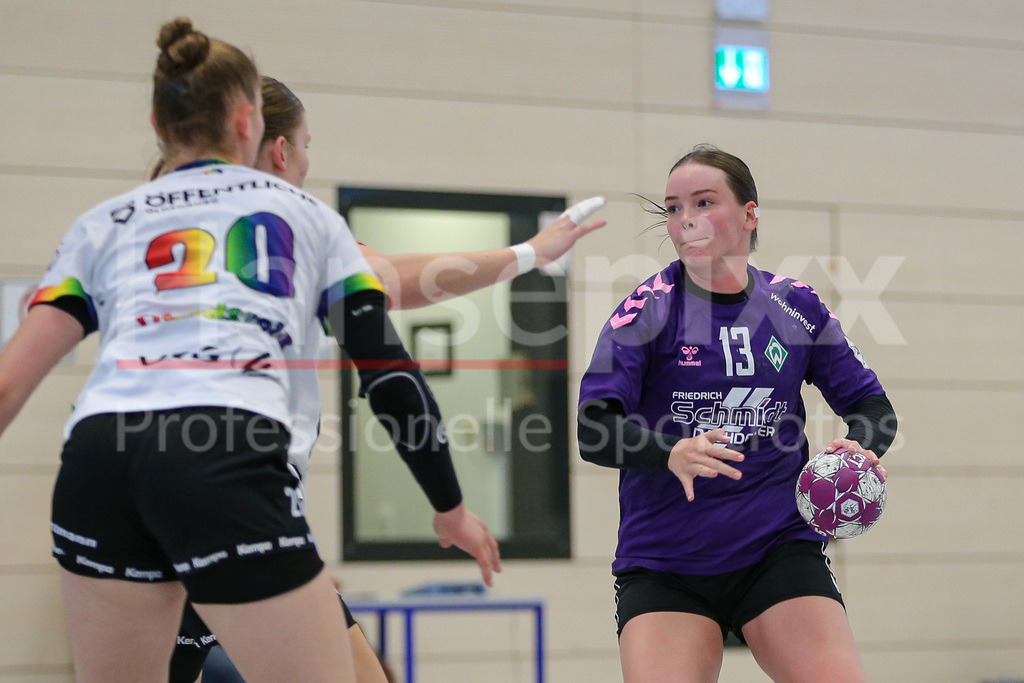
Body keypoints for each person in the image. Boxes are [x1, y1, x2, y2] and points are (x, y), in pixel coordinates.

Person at [0, 17, 500, 681]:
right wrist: (449, 505)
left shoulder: (103, 223)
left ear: (156, 120)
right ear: (249, 123)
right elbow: (389, 376)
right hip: (220, 456)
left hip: (99, 465)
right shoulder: (308, 219)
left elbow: (8, 385)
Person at [167, 75, 607, 682]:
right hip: (240, 494)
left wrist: (530, 252)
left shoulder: (158, 224)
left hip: (128, 480)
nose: (307, 162)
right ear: (278, 150)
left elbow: (391, 276)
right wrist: (448, 503)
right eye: (306, 144)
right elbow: (391, 359)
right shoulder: (300, 227)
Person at [576, 144, 897, 682]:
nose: (686, 220)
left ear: (750, 214)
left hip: (777, 549)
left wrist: (859, 445)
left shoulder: (795, 305)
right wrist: (670, 451)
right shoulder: (646, 310)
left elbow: (873, 408)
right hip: (667, 564)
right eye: (674, 208)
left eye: (704, 202)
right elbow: (593, 428)